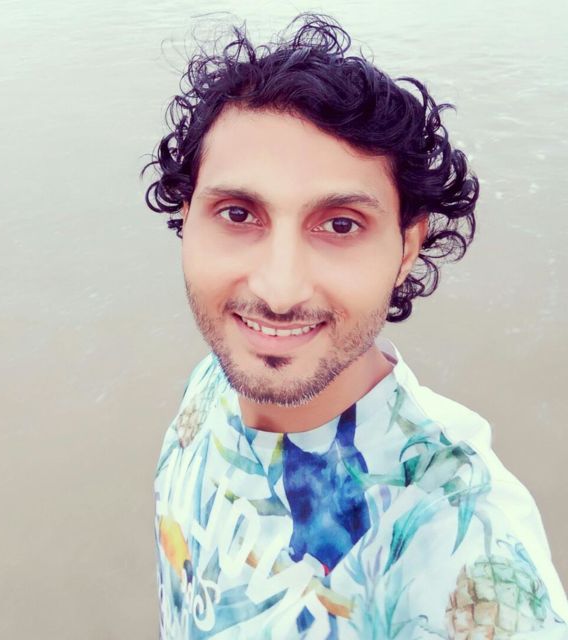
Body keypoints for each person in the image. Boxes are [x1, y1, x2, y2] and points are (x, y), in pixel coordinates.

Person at [143, 13, 568, 639]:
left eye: (340, 225)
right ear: (188, 219)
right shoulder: (210, 384)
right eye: (237, 214)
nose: (278, 291)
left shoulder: (460, 546)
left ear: (407, 247)